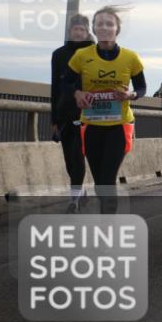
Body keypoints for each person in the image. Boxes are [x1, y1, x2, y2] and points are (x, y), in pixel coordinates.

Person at [67, 6, 145, 214]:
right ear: (93, 28)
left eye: (109, 24)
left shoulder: (130, 57)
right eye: (99, 23)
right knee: (100, 181)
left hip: (119, 126)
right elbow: (67, 81)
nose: (104, 27)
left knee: (108, 179)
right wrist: (78, 94)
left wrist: (130, 95)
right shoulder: (82, 56)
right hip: (91, 125)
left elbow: (141, 88)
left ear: (117, 29)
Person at [50, 14, 94, 212]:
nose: (79, 33)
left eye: (82, 30)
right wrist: (54, 119)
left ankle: (73, 200)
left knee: (77, 155)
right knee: (69, 159)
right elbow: (55, 87)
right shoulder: (59, 54)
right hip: (64, 113)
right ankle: (80, 191)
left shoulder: (94, 53)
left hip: (87, 114)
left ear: (87, 32)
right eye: (76, 29)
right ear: (70, 31)